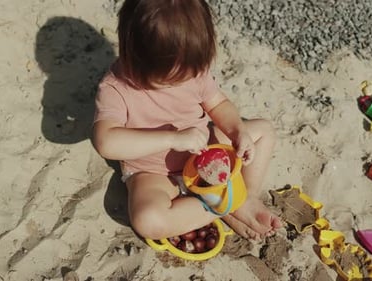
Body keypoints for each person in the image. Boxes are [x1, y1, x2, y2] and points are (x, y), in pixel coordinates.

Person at [92, 0, 282, 241]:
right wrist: (172, 138)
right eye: (173, 79)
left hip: (206, 151)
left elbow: (217, 103)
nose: (185, 81)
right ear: (134, 60)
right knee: (148, 220)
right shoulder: (116, 87)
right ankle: (225, 206)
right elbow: (106, 142)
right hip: (155, 173)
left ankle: (245, 197)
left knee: (263, 131)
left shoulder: (190, 68)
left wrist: (237, 131)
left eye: (189, 74)